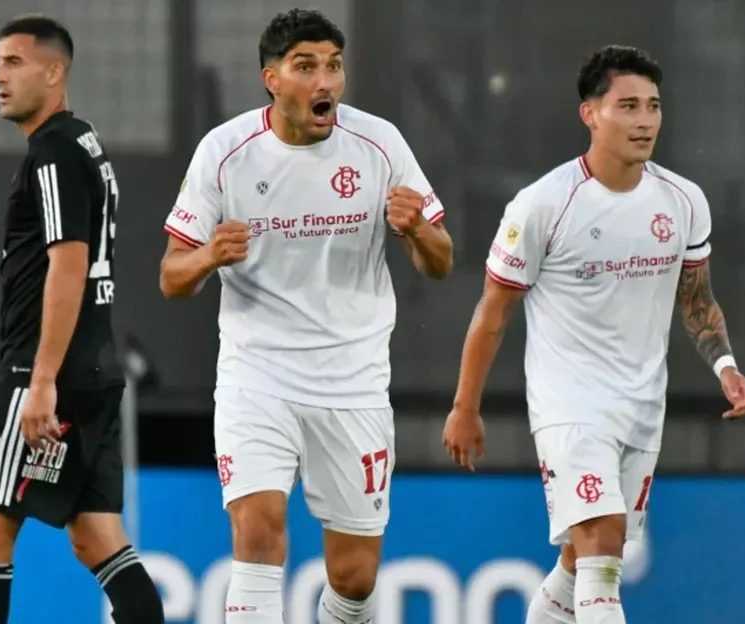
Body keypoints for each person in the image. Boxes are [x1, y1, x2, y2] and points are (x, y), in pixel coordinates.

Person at [442, 45, 745, 624]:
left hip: (641, 405)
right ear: (590, 113)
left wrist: (725, 366)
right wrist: (466, 406)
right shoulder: (543, 205)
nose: (645, 120)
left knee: (577, 560)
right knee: (604, 546)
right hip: (569, 404)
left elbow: (697, 300)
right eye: (628, 105)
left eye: (654, 106)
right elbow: (493, 313)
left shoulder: (683, 201)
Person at [159, 9, 453, 623]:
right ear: (272, 79)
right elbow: (171, 276)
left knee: (354, 577)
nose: (325, 82)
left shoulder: (379, 145)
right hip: (256, 374)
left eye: (334, 66)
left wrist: (417, 230)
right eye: (306, 67)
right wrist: (209, 255)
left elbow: (441, 263)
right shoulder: (224, 152)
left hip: (353, 381)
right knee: (259, 536)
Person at [0, 15, 164, 624]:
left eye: (14, 63)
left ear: (55, 71)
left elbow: (68, 265)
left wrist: (40, 380)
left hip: (44, 371)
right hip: (94, 368)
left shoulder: (51, 153)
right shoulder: (84, 143)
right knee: (97, 537)